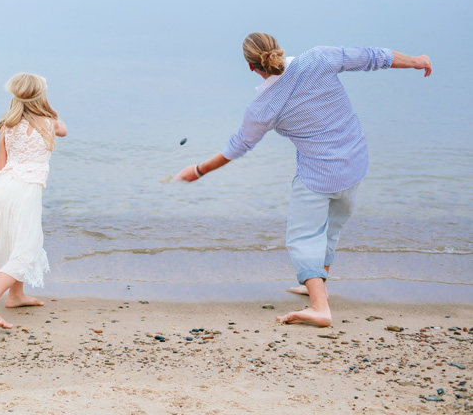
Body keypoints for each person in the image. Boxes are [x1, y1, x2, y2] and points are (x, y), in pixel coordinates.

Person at [175, 33, 432, 327]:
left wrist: (197, 171)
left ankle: (319, 307)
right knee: (330, 227)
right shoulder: (318, 58)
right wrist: (416, 61)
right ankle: (316, 282)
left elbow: (237, 147)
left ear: (250, 66)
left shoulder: (263, 108)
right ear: (278, 48)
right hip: (355, 163)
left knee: (303, 238)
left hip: (318, 176)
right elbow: (373, 56)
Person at [0, 73, 67, 329]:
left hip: (3, 185)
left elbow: (1, 163)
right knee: (28, 248)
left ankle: (16, 295)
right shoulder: (50, 122)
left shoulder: (7, 123)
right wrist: (48, 107)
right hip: (25, 188)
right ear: (41, 96)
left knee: (13, 239)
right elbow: (64, 129)